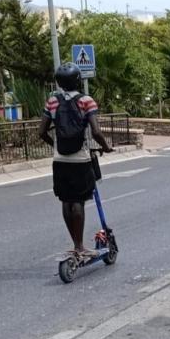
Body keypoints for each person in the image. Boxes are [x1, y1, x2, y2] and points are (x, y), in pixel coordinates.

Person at [38, 62, 113, 257]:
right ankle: (80, 247)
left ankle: (75, 243)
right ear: (78, 80)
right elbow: (96, 131)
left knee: (66, 200)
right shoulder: (86, 101)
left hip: (60, 159)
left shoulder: (52, 101)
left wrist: (54, 145)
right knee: (78, 201)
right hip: (81, 159)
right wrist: (106, 147)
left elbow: (41, 132)